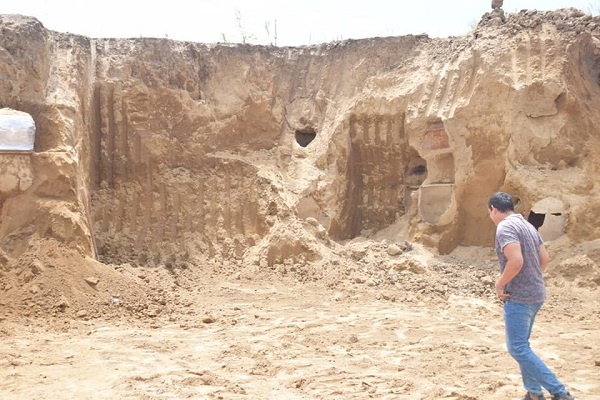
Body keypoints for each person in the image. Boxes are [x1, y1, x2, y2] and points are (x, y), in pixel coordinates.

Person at [487, 192, 576, 400]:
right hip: (536, 293)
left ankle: (559, 392)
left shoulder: (505, 227)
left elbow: (515, 261)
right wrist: (532, 278)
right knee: (523, 346)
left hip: (519, 296)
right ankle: (534, 393)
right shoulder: (527, 225)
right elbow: (544, 258)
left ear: (493, 209)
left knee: (517, 348)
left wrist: (499, 284)